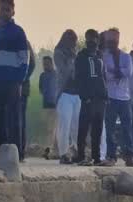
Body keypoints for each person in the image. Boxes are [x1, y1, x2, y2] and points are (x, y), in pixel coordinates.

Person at [0, 0, 29, 167]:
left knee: (13, 118)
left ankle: (16, 155)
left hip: (12, 81)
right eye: (1, 9)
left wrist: (19, 81)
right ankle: (2, 154)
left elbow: (24, 58)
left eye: (7, 9)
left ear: (13, 12)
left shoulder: (18, 32)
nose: (4, 12)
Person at [102, 28, 133, 167]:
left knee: (127, 128)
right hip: (110, 96)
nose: (112, 44)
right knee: (110, 128)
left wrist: (114, 71)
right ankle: (111, 156)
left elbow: (128, 72)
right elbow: (106, 74)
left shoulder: (126, 56)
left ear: (118, 41)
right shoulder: (104, 56)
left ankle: (129, 156)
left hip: (125, 97)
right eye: (109, 41)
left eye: (114, 41)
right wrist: (118, 72)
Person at [74, 29, 106, 166]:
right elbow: (79, 78)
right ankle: (81, 155)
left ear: (97, 40)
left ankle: (96, 156)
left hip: (100, 97)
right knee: (83, 128)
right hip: (88, 97)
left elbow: (103, 76)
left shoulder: (100, 56)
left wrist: (105, 95)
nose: (91, 41)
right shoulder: (81, 56)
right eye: (89, 38)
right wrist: (83, 96)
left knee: (97, 129)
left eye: (94, 38)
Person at [53, 29, 79, 164]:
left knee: (77, 125)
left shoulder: (76, 54)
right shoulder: (58, 53)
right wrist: (72, 60)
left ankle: (76, 150)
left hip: (77, 94)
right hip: (65, 93)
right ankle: (63, 153)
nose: (73, 44)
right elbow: (64, 71)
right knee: (65, 125)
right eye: (71, 41)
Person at [38, 56, 58, 159]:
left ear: (51, 63)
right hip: (45, 104)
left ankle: (49, 150)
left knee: (52, 128)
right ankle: (49, 149)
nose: (45, 65)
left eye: (47, 63)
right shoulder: (42, 75)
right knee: (46, 128)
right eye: (44, 63)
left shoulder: (56, 74)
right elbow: (40, 89)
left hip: (55, 105)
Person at [19, 39, 34, 160]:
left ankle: (20, 151)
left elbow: (32, 63)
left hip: (21, 88)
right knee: (18, 120)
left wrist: (23, 78)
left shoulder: (23, 42)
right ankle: (19, 151)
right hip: (20, 87)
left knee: (19, 120)